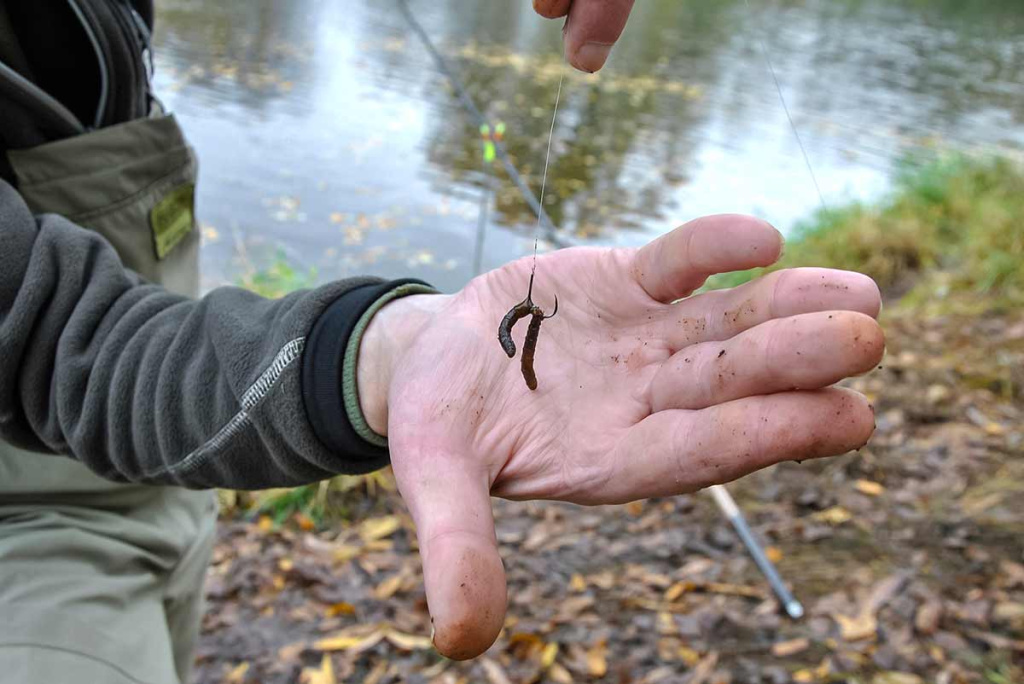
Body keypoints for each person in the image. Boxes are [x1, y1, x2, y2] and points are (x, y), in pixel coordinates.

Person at [0, 0, 884, 679]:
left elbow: (62, 325)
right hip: (38, 511)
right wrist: (374, 357)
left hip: (143, 439)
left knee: (163, 578)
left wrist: (379, 351)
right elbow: (53, 336)